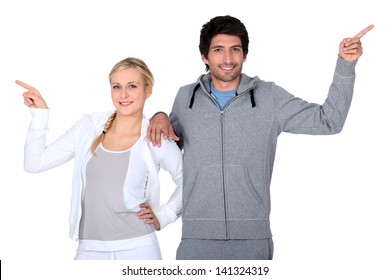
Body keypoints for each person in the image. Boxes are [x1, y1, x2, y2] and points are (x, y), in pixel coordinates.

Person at [147, 15, 374, 260]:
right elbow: (163, 145)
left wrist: (345, 65)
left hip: (252, 239)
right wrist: (158, 115)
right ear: (204, 56)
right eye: (218, 50)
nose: (227, 59)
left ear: (244, 54)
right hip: (196, 238)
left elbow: (329, 121)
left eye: (235, 50)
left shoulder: (269, 97)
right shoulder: (185, 98)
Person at [17, 57, 183, 260]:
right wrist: (39, 114)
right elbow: (35, 163)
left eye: (132, 86)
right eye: (116, 87)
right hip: (89, 249)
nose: (123, 95)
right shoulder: (88, 129)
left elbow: (189, 182)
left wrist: (163, 216)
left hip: (139, 248)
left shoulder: (156, 138)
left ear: (148, 90)